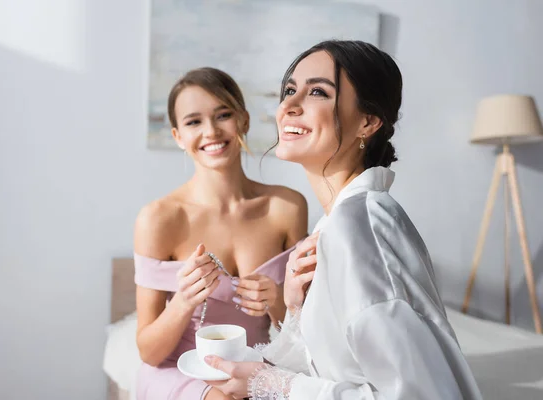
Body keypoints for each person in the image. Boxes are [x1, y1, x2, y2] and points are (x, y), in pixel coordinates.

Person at [203, 40, 483, 399]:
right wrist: (296, 308)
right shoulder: (336, 223)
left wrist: (271, 384)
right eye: (289, 90)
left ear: (368, 121)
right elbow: (335, 362)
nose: (288, 105)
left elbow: (420, 393)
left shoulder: (359, 226)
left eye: (317, 92)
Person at [133, 67, 308, 400]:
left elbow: (302, 332)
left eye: (222, 115)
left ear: (243, 120)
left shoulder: (287, 207)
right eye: (193, 122)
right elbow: (149, 353)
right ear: (177, 136)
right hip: (178, 371)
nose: (211, 131)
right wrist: (183, 302)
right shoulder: (159, 219)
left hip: (255, 364)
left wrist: (276, 304)